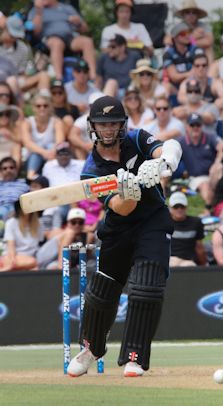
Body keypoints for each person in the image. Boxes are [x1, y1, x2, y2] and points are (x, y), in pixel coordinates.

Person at [66, 95, 183, 378]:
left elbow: (171, 146)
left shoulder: (138, 139)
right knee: (102, 291)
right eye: (102, 124)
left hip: (153, 222)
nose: (108, 129)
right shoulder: (91, 170)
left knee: (146, 284)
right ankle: (92, 348)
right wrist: (131, 189)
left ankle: (134, 357)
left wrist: (163, 163)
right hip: (119, 228)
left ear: (122, 125)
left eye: (114, 123)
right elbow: (121, 207)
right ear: (93, 126)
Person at [28, 0, 97, 81]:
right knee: (57, 43)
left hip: (70, 37)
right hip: (50, 39)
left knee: (87, 42)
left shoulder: (67, 8)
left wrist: (78, 23)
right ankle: (59, 79)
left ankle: (92, 77)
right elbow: (35, 32)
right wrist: (39, 12)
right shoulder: (35, 10)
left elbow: (85, 29)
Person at [177, 113, 223, 205]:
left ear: (202, 126)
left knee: (218, 170)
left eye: (198, 125)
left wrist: (217, 162)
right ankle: (209, 207)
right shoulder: (181, 142)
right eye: (192, 125)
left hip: (214, 174)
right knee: (205, 185)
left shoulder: (210, 137)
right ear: (187, 127)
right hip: (196, 178)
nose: (195, 127)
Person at [21, 93, 65, 179]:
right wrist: (44, 152)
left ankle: (53, 177)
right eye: (38, 106)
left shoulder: (56, 121)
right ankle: (30, 177)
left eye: (45, 106)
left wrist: (51, 151)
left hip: (52, 154)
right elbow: (27, 143)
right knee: (37, 151)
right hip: (32, 156)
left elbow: (60, 141)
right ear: (33, 108)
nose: (42, 108)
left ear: (50, 107)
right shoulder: (27, 122)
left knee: (50, 145)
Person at [0, 201, 43, 272]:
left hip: (32, 257)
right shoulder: (11, 223)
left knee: (36, 262)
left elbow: (39, 244)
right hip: (15, 257)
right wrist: (13, 262)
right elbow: (11, 248)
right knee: (33, 262)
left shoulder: (39, 224)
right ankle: (8, 268)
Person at [168, 192, 206, 267]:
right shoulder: (164, 223)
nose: (179, 209)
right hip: (170, 260)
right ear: (170, 208)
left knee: (189, 266)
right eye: (176, 207)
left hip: (189, 261)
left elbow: (199, 247)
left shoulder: (196, 222)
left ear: (186, 207)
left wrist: (204, 264)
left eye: (182, 206)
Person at [0, 156, 29, 221]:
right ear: (0, 172)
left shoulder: (25, 183)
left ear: (16, 170)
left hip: (19, 209)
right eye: (5, 168)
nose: (8, 170)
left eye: (11, 167)